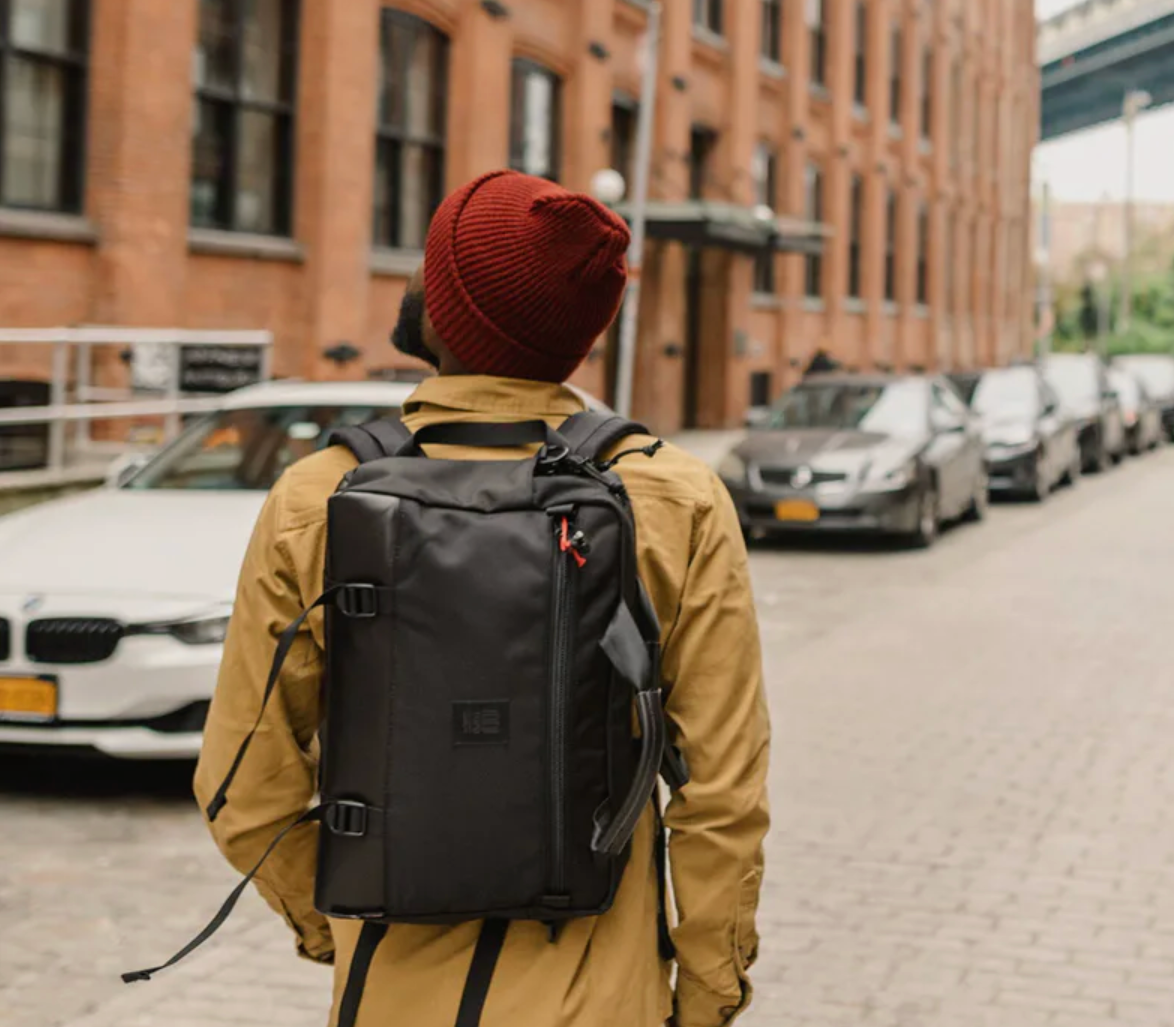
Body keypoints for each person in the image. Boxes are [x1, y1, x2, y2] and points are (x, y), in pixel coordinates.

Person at [192, 171, 770, 1027]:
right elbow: (722, 792)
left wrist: (341, 930)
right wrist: (707, 994)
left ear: (443, 313)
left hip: (391, 996)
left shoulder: (320, 494)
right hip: (602, 999)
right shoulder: (674, 496)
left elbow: (244, 787)